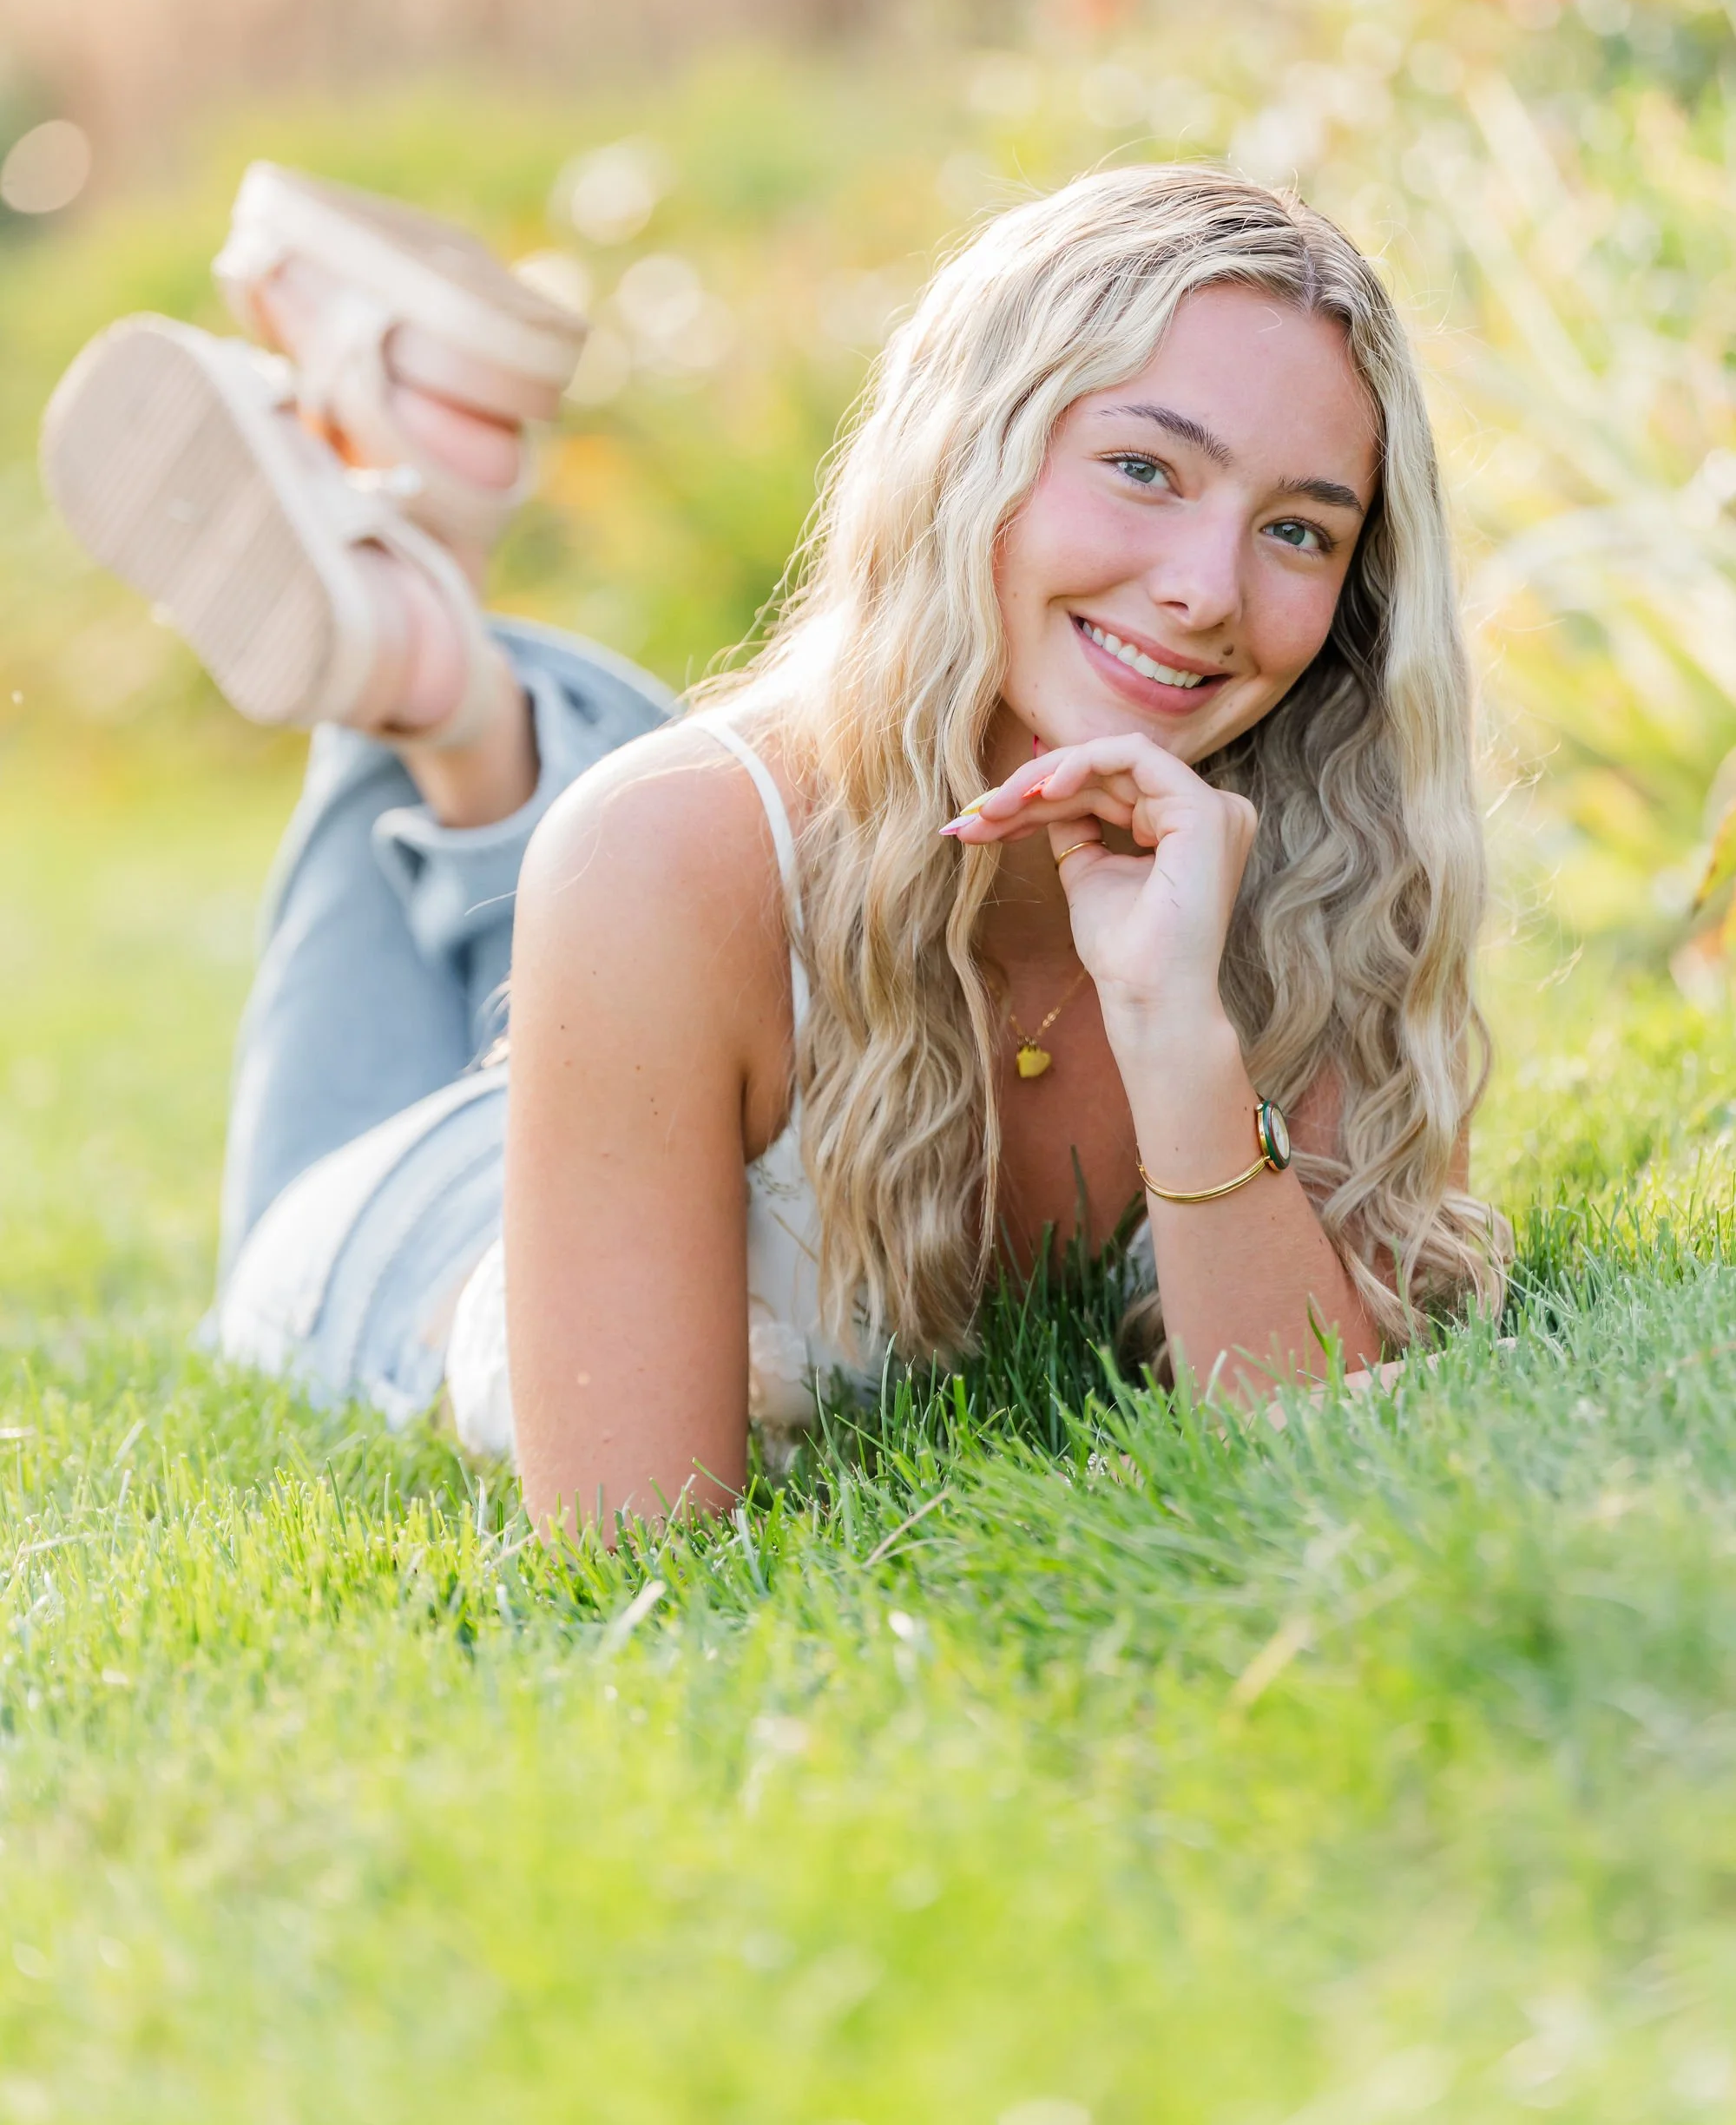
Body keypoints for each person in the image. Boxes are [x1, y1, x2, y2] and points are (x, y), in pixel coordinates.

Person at [42, 158, 1505, 1539]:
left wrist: (1179, 1032)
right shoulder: (664, 852)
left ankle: (445, 621)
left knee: (643, 841)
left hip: (650, 1008)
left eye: (1301, 533)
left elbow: (1316, 1451)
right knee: (636, 841)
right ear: (964, 452)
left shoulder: (1322, 848)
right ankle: (434, 679)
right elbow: (642, 1534)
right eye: (1141, 467)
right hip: (404, 1229)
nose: (1205, 590)